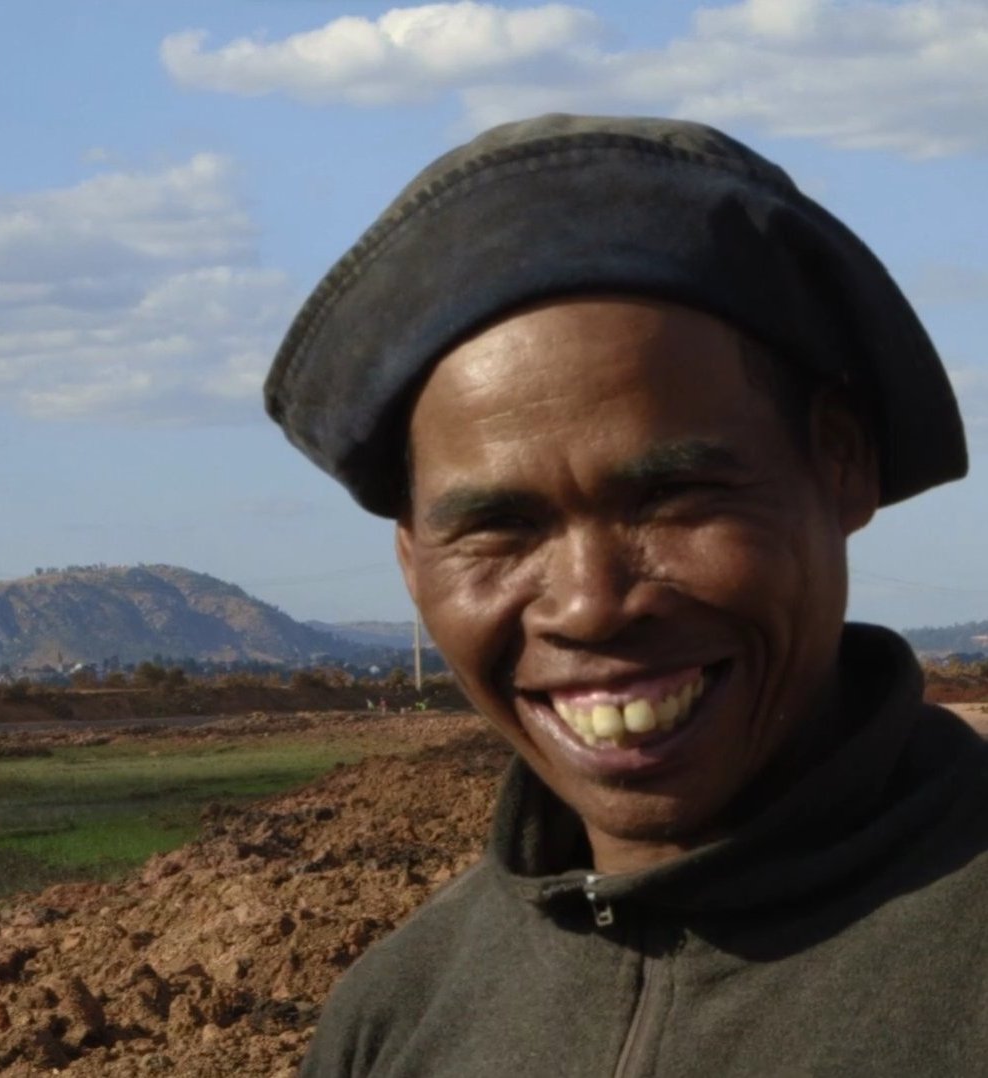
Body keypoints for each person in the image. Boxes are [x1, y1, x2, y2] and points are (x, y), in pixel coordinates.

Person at [264, 115, 988, 1076]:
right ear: (412, 557)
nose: (591, 605)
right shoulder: (403, 1014)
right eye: (500, 527)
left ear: (840, 466)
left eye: (675, 496)